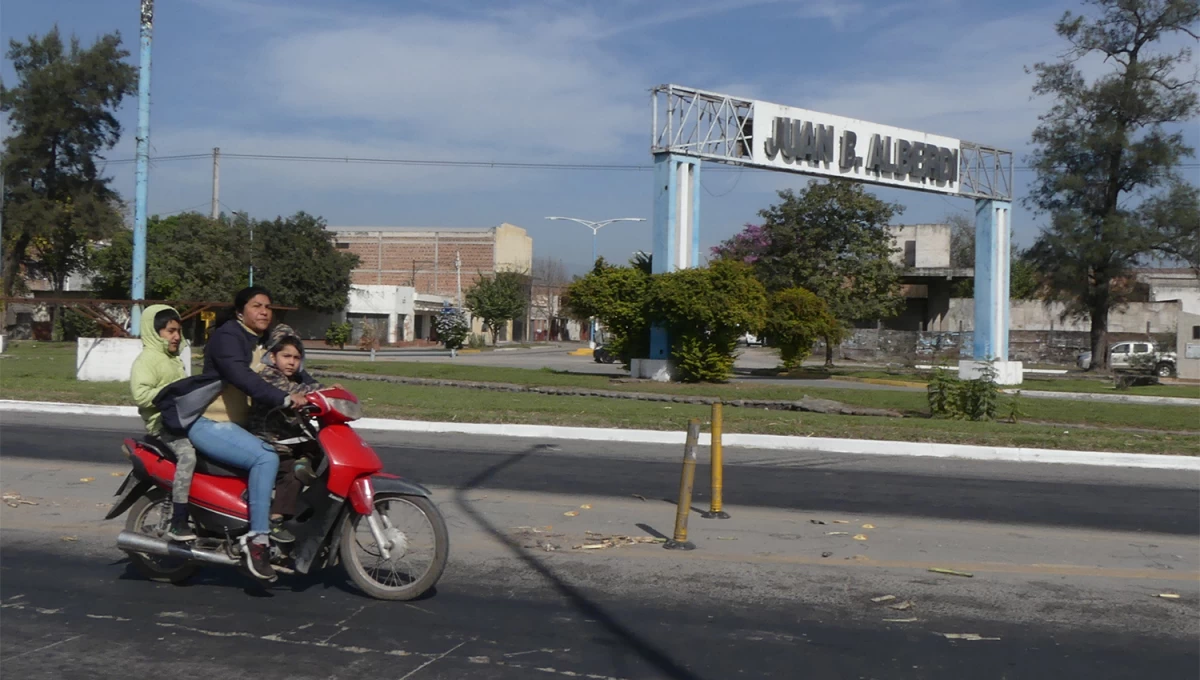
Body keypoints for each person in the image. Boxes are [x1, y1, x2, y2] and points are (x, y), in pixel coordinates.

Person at [154, 287, 306, 582]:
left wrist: (322, 393)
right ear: (240, 311)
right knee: (265, 458)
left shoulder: (263, 339)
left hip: (239, 426)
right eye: (256, 306)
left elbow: (295, 369)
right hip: (209, 422)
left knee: (297, 452)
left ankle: (274, 520)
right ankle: (258, 541)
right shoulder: (227, 336)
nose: (264, 311)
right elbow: (241, 375)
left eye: (268, 306)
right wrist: (283, 398)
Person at [248, 324, 324, 536]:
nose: (291, 361)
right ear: (273, 357)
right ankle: (276, 519)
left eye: (296, 357)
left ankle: (304, 505)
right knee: (292, 472)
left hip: (290, 440)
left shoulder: (295, 378)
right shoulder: (268, 375)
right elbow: (294, 392)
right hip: (269, 442)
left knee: (322, 452)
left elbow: (311, 386)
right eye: (286, 356)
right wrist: (323, 392)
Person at [129, 305, 198, 543]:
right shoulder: (147, 360)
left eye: (178, 331)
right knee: (188, 456)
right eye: (170, 331)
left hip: (181, 421)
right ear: (154, 332)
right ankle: (179, 520)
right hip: (162, 427)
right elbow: (140, 395)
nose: (176, 336)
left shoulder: (173, 359)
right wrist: (171, 393)